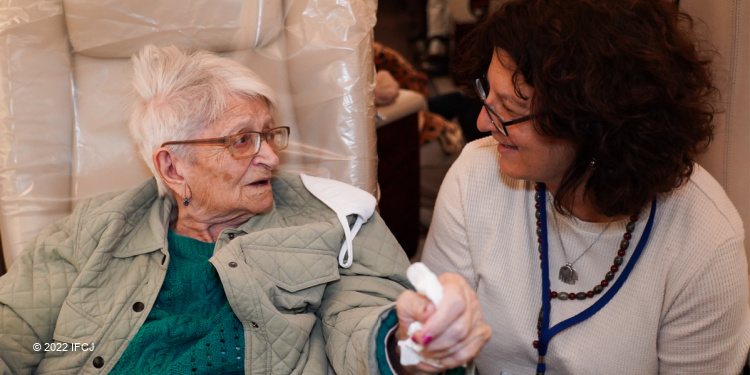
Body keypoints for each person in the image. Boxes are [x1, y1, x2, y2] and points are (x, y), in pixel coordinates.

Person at [0, 45, 490, 374]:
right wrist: (70, 350)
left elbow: (360, 322)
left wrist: (406, 340)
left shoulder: (331, 218)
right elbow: (22, 337)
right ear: (172, 167)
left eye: (270, 135)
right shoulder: (97, 227)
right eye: (241, 141)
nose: (272, 157)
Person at [421, 0, 750, 374]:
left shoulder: (704, 244)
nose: (482, 121)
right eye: (487, 93)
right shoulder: (476, 175)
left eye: (511, 107)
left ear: (593, 123)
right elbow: (431, 353)